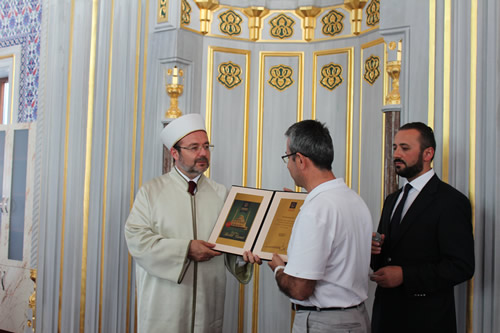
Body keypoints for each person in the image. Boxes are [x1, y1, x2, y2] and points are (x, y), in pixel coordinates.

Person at [125, 114, 252, 333]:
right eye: (194, 147)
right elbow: (137, 241)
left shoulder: (221, 194)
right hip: (164, 311)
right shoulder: (151, 192)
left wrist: (244, 256)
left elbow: (231, 246)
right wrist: (185, 250)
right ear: (174, 153)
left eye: (206, 146)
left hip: (208, 309)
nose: (203, 153)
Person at [246, 119, 373, 332]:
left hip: (326, 323)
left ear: (301, 161)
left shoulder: (317, 210)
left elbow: (300, 290)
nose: (287, 165)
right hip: (355, 317)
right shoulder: (353, 199)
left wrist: (277, 267)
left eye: (287, 158)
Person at [370, 122, 475, 333]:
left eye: (405, 148)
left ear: (428, 153)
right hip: (386, 317)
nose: (396, 154)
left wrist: (405, 276)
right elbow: (386, 259)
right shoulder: (392, 199)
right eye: (395, 147)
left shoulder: (451, 201)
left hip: (427, 321)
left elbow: (461, 266)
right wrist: (374, 250)